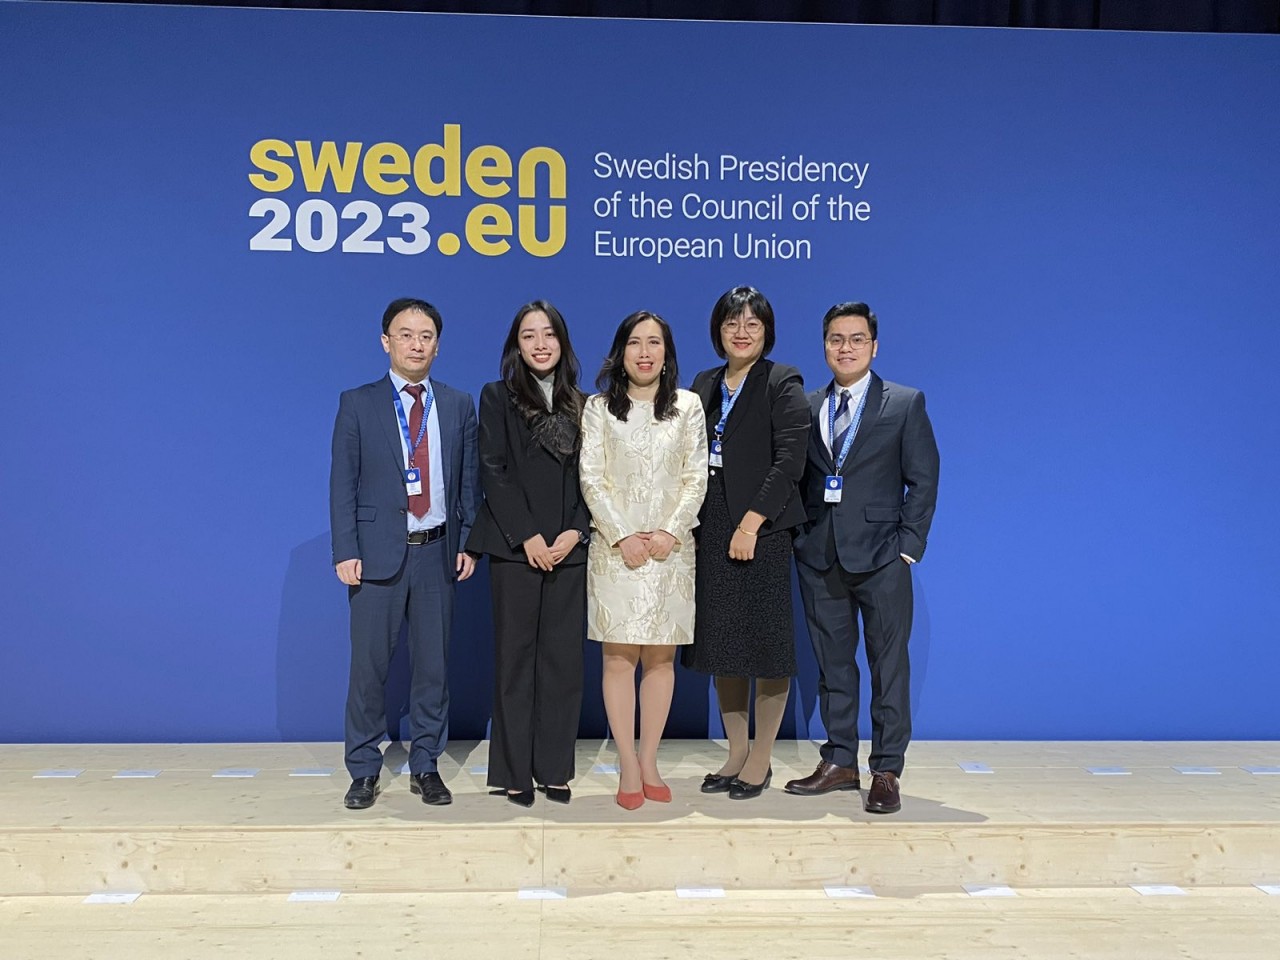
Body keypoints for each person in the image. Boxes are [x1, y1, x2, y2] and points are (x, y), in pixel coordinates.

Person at [788, 302, 939, 814]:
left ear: (874, 346)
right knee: (832, 666)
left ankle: (887, 770)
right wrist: (801, 538)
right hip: (820, 556)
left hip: (882, 558)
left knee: (888, 666)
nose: (845, 347)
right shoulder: (807, 406)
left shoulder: (905, 403)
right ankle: (839, 761)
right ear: (824, 345)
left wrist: (908, 548)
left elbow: (923, 480)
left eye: (856, 339)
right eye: (836, 339)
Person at [330, 297, 479, 810]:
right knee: (368, 671)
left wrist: (468, 541)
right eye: (406, 335)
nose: (416, 345)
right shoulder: (358, 402)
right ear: (386, 341)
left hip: (437, 553)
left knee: (433, 669)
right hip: (376, 557)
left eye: (426, 336)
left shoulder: (457, 404)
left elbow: (468, 482)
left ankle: (426, 764)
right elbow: (342, 483)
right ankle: (363, 769)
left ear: (437, 345)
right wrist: (345, 548)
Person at [682, 286, 809, 800]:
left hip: (762, 530)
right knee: (725, 645)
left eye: (752, 324)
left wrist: (752, 523)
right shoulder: (703, 383)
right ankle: (735, 752)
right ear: (718, 330)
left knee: (766, 647)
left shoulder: (782, 381)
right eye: (732, 323)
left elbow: (790, 461)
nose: (741, 332)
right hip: (712, 526)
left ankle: (760, 759)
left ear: (766, 331)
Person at [579, 311, 708, 810]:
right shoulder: (598, 408)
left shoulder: (688, 406)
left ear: (667, 353)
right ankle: (627, 765)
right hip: (616, 552)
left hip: (671, 552)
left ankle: (649, 758)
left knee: (660, 658)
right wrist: (621, 535)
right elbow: (591, 477)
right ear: (621, 352)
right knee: (618, 659)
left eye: (655, 343)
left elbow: (697, 476)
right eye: (635, 342)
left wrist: (671, 531)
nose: (645, 352)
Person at [466, 301, 590, 808]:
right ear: (515, 346)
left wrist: (576, 531)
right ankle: (515, 773)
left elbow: (594, 477)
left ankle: (554, 769)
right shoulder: (497, 396)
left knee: (563, 664)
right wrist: (527, 536)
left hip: (568, 550)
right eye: (529, 335)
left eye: (549, 334)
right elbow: (493, 470)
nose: (540, 344)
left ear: (563, 342)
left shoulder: (584, 404)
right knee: (515, 662)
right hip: (516, 549)